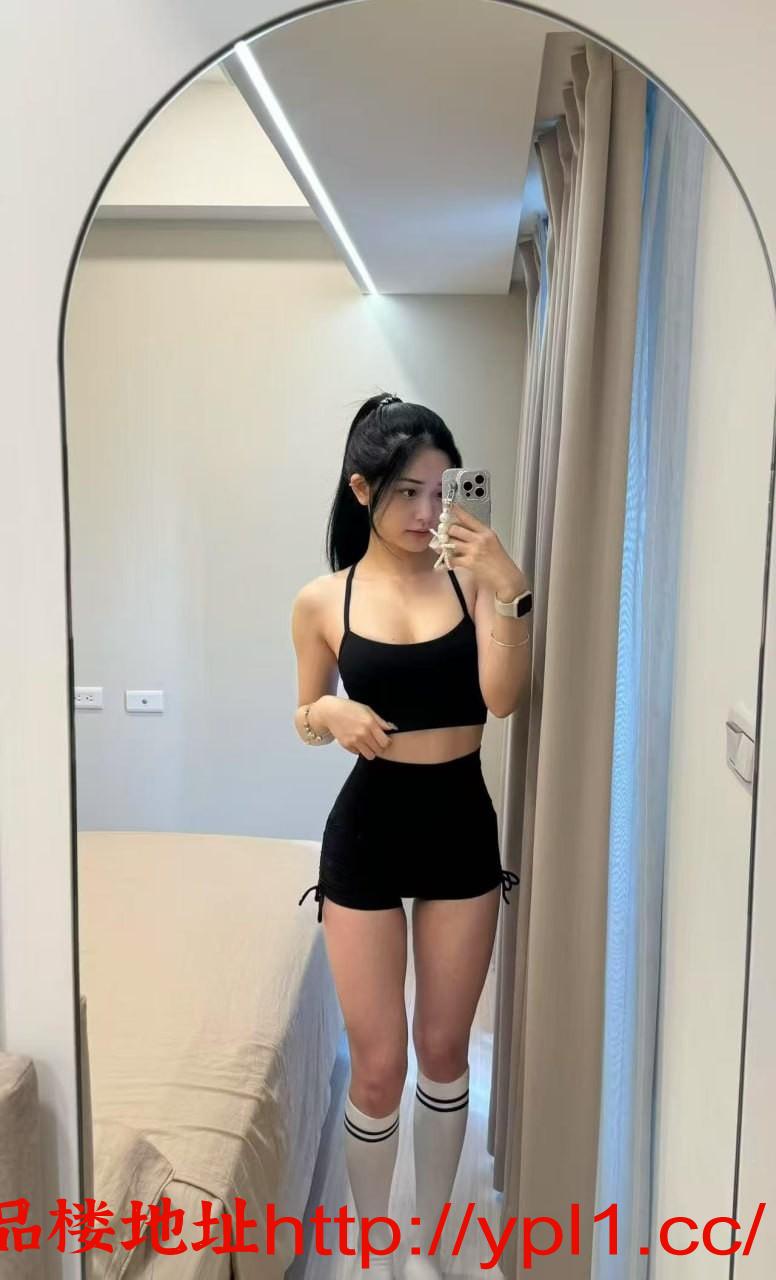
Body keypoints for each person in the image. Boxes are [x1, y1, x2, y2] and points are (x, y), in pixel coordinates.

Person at [292, 393, 531, 1278]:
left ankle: (428, 1246)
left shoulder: (472, 581)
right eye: (408, 493)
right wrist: (329, 711)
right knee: (379, 1065)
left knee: (442, 1049)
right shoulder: (324, 599)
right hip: (366, 832)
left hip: (460, 823)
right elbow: (305, 713)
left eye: (441, 491)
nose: (429, 512)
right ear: (362, 490)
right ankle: (373, 1250)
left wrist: (508, 586)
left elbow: (501, 699)